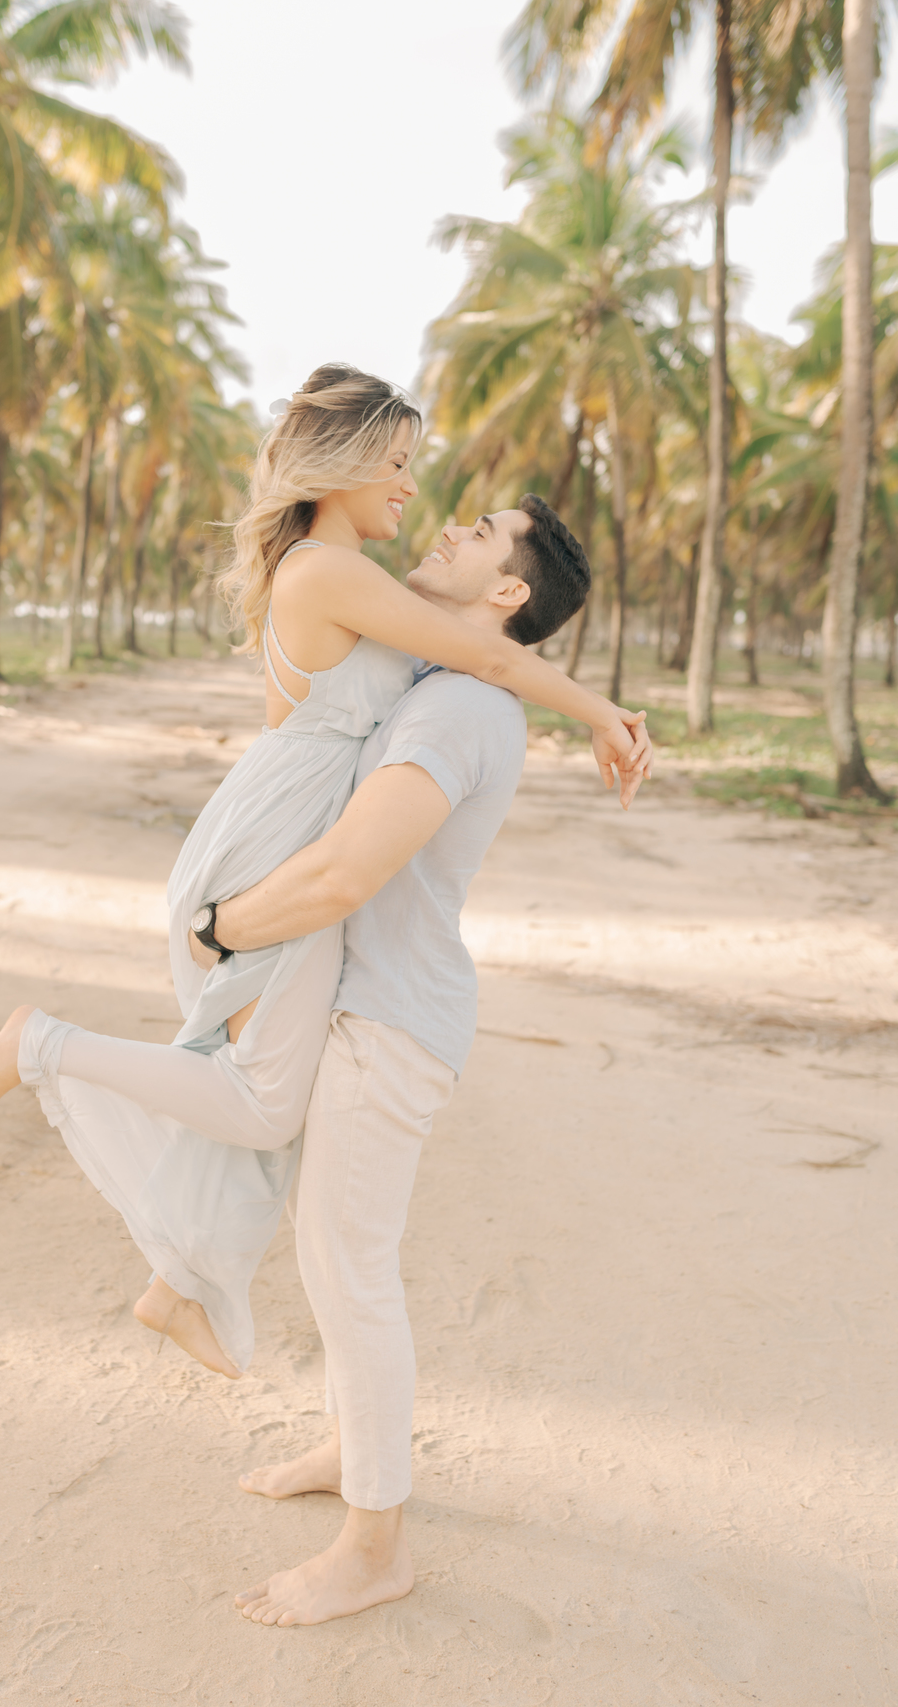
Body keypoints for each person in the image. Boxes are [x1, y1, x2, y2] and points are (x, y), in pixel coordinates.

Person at [0, 364, 649, 1383]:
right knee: (266, 1101)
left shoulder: (345, 571)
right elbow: (489, 658)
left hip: (280, 828)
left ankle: (179, 1285)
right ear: (348, 464)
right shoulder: (327, 569)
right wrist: (604, 713)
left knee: (272, 1092)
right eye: (400, 465)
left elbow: (480, 656)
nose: (413, 491)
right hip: (270, 844)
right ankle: (43, 1042)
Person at [184, 497, 588, 1627]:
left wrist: (222, 927)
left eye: (480, 533)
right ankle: (348, 1443)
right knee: (335, 1258)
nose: (452, 525)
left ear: (509, 595)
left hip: (390, 1020)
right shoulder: (448, 680)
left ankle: (376, 1547)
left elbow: (344, 873)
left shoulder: (457, 706)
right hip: (375, 1005)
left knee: (350, 1266)